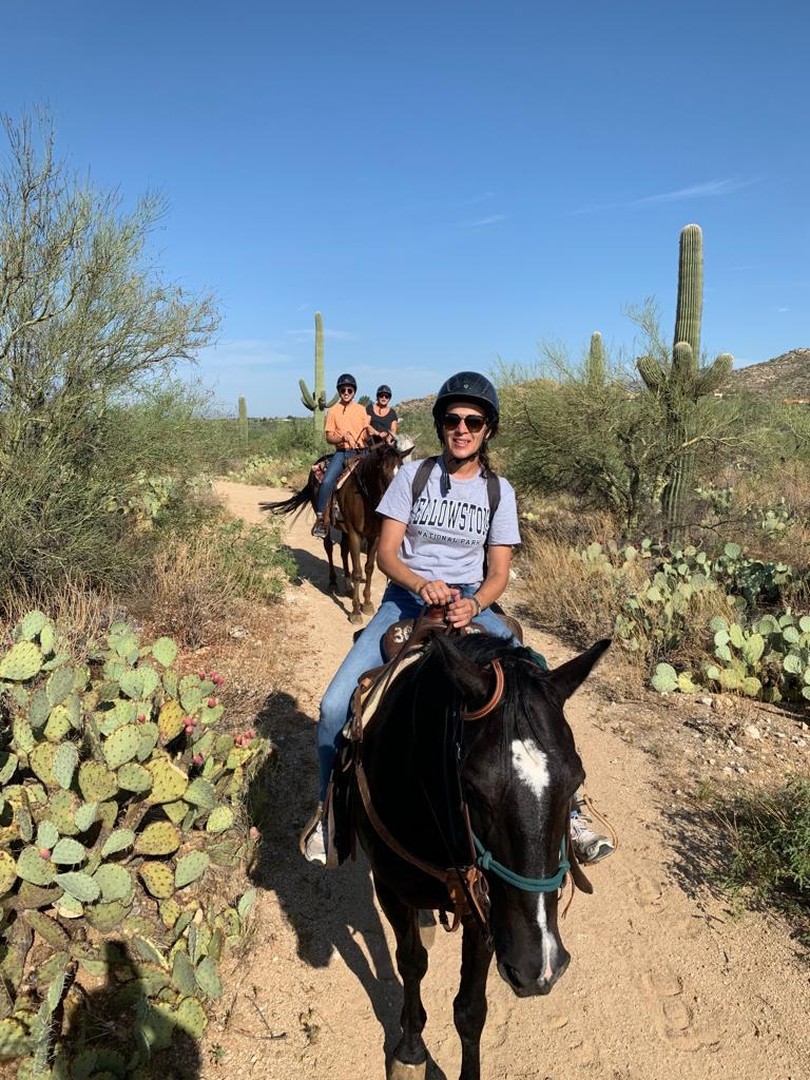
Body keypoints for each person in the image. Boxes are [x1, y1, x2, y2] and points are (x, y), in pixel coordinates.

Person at [301, 371, 614, 868]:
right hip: (406, 602)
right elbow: (385, 552)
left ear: (487, 429)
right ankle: (330, 813)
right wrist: (419, 583)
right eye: (452, 419)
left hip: (470, 601)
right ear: (441, 424)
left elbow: (498, 572)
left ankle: (571, 811)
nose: (462, 429)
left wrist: (474, 603)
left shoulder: (498, 492)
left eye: (473, 420)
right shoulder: (413, 477)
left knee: (539, 683)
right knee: (335, 705)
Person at [312, 373, 374, 540]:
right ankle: (321, 518)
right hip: (343, 452)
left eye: (349, 390)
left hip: (362, 452)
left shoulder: (361, 409)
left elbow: (367, 431)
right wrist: (340, 438)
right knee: (327, 481)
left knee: (381, 475)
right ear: (339, 392)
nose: (346, 392)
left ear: (354, 392)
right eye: (343, 390)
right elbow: (329, 436)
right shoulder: (333, 411)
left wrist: (381, 435)